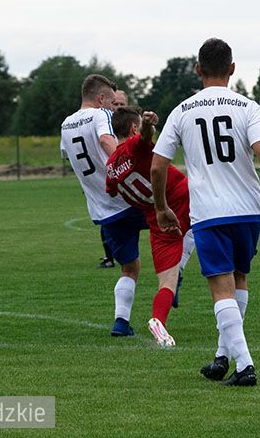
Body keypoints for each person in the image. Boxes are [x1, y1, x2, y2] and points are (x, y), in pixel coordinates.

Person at [150, 38, 260, 387]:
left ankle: (245, 366)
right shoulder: (248, 107)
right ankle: (222, 356)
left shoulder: (182, 111)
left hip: (210, 212)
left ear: (198, 70)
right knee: (238, 280)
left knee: (220, 289)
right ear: (232, 69)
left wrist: (162, 208)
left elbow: (157, 166)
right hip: (249, 210)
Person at [60, 74, 147, 336]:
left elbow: (67, 156)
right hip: (128, 198)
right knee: (185, 215)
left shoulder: (66, 125)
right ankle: (176, 280)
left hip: (103, 210)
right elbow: (107, 141)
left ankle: (121, 322)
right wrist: (125, 164)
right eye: (111, 102)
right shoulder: (101, 116)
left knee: (129, 267)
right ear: (100, 99)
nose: (114, 109)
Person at [105, 106, 195, 348]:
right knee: (214, 220)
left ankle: (159, 321)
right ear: (133, 128)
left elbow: (111, 190)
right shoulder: (133, 145)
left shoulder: (110, 167)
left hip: (157, 219)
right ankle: (184, 265)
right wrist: (148, 124)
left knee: (167, 283)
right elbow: (144, 137)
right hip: (181, 198)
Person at [96, 89, 130, 268]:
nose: (118, 107)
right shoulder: (102, 123)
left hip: (128, 176)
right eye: (115, 104)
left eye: (121, 104)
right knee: (108, 215)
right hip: (107, 177)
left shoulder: (132, 123)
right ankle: (110, 256)